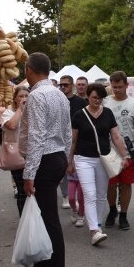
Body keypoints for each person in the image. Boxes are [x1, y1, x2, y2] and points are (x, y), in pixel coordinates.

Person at [17, 53, 71, 267]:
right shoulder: (59, 94)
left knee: (49, 220)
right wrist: (66, 160)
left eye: (24, 70)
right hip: (56, 157)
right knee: (42, 216)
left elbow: (37, 136)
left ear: (29, 69)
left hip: (45, 161)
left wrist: (29, 174)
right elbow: (67, 131)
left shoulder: (37, 95)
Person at [69, 83, 129, 246]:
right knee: (90, 194)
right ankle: (94, 230)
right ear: (87, 96)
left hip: (103, 159)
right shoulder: (78, 115)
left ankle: (98, 224)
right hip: (83, 159)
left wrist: (124, 155)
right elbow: (73, 140)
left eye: (101, 98)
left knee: (102, 194)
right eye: (95, 97)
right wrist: (69, 161)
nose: (97, 101)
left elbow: (116, 136)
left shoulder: (108, 113)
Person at [102, 71, 134, 231]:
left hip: (128, 151)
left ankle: (124, 215)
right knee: (110, 185)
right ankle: (113, 209)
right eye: (114, 87)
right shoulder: (105, 102)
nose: (117, 90)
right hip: (108, 152)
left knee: (126, 184)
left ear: (127, 85)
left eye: (120, 87)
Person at [59, 75, 88, 209]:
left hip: (78, 140)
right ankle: (66, 195)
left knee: (78, 168)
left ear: (72, 86)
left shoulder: (81, 102)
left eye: (66, 84)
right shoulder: (57, 100)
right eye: (61, 85)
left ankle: (80, 195)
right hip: (60, 139)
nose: (63, 87)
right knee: (64, 167)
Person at [2, 86, 29, 216]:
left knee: (35, 189)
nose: (24, 99)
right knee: (22, 189)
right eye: (21, 96)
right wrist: (20, 109)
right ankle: (24, 220)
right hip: (17, 155)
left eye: (26, 96)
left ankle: (35, 219)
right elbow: (12, 126)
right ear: (15, 99)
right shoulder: (8, 113)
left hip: (33, 154)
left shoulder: (33, 111)